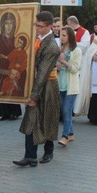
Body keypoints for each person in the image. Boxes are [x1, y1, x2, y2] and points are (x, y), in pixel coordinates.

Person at [14, 11, 60, 166]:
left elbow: (42, 73)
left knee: (47, 118)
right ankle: (30, 156)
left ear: (49, 26)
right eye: (36, 25)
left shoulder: (52, 46)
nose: (37, 28)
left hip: (47, 87)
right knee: (31, 119)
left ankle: (48, 150)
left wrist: (33, 97)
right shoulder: (36, 40)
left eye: (40, 26)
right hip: (35, 85)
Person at [55, 26, 81, 146]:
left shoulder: (76, 51)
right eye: (61, 35)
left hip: (71, 86)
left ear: (70, 36)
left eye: (64, 35)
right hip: (61, 84)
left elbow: (75, 69)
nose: (62, 37)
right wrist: (57, 67)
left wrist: (64, 62)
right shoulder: (60, 50)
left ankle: (64, 136)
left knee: (66, 111)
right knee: (64, 110)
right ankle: (70, 133)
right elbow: (56, 67)